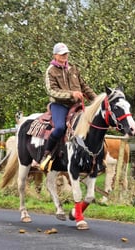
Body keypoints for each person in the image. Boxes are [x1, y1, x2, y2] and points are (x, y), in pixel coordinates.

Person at [40, 42, 97, 171]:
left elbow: (84, 86)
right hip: (60, 105)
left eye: (66, 53)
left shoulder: (73, 68)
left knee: (92, 124)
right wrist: (71, 94)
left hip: (76, 106)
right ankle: (47, 153)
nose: (65, 56)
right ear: (55, 55)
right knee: (60, 127)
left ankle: (92, 156)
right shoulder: (51, 71)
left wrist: (97, 100)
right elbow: (51, 90)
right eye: (62, 54)